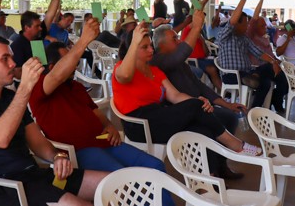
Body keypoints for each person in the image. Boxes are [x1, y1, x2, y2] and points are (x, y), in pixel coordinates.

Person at [29, 20, 182, 206]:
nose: (74, 64)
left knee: (155, 166)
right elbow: (56, 76)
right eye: (68, 61)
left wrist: (110, 127)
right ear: (53, 66)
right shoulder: (40, 87)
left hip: (105, 142)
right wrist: (83, 41)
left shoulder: (75, 87)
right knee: (126, 178)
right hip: (79, 151)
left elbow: (98, 115)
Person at [0, 35, 107, 206]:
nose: (13, 63)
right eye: (5, 59)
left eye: (11, 57)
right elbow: (0, 138)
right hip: (5, 188)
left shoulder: (10, 97)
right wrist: (25, 87)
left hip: (34, 176)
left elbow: (37, 142)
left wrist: (57, 156)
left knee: (115, 187)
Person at [112, 24, 262, 168]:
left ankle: (207, 181)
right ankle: (235, 144)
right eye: (144, 47)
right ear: (132, 49)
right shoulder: (121, 68)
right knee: (196, 107)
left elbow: (175, 95)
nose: (151, 49)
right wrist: (134, 42)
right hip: (138, 124)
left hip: (158, 117)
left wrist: (198, 102)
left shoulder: (155, 71)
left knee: (203, 130)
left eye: (150, 45)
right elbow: (124, 76)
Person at [152, 11, 246, 179]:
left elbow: (200, 87)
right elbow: (180, 54)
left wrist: (227, 104)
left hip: (201, 106)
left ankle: (220, 165)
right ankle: (208, 176)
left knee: (229, 117)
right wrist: (196, 27)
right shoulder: (159, 61)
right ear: (162, 45)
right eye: (174, 39)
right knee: (207, 130)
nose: (179, 41)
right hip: (182, 112)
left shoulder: (180, 64)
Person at [219, 0, 286, 113]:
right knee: (268, 71)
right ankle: (258, 79)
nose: (247, 25)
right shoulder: (225, 35)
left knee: (266, 80)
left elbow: (259, 53)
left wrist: (273, 62)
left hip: (248, 72)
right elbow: (232, 21)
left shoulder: (244, 38)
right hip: (232, 75)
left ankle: (253, 111)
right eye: (245, 23)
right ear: (238, 24)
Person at [10, 0, 63, 79]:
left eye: (40, 25)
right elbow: (16, 73)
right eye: (37, 26)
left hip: (45, 78)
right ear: (26, 27)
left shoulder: (37, 36)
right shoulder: (17, 45)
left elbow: (50, 14)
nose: (40, 28)